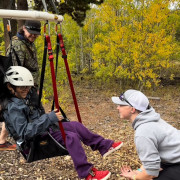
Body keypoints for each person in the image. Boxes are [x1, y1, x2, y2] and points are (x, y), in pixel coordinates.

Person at [1, 66, 123, 180]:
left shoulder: (23, 98)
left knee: (76, 126)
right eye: (22, 87)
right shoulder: (13, 108)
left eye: (28, 86)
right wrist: (49, 118)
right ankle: (87, 174)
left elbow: (34, 118)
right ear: (10, 87)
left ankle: (103, 146)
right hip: (32, 143)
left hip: (42, 130)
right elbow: (25, 133)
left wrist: (46, 115)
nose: (26, 90)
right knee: (71, 137)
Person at [111, 89, 180, 180]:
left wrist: (134, 176)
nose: (117, 108)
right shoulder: (152, 119)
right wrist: (139, 171)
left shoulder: (143, 132)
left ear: (132, 109)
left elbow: (151, 173)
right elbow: (154, 157)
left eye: (121, 105)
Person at [0, 20, 41, 151]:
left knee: (21, 112)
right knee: (19, 112)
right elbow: (15, 70)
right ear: (24, 28)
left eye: (36, 34)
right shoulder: (17, 45)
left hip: (29, 85)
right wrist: (23, 89)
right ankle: (26, 143)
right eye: (31, 33)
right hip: (22, 86)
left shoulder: (28, 43)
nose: (33, 36)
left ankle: (2, 140)